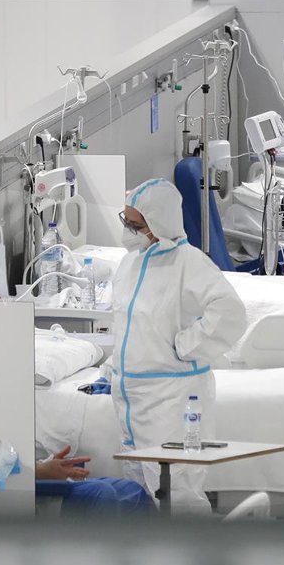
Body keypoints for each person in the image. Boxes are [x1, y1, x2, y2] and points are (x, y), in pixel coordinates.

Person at [110, 179, 247, 514]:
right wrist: (114, 367)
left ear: (158, 223)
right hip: (131, 398)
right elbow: (131, 325)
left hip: (171, 398)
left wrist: (187, 347)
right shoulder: (130, 264)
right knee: (138, 491)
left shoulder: (188, 262)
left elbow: (230, 313)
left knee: (178, 491)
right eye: (126, 222)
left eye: (136, 225)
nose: (129, 232)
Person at [35, 445, 155, 516]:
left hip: (43, 477)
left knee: (132, 490)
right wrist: (39, 472)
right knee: (102, 493)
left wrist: (45, 465)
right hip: (38, 491)